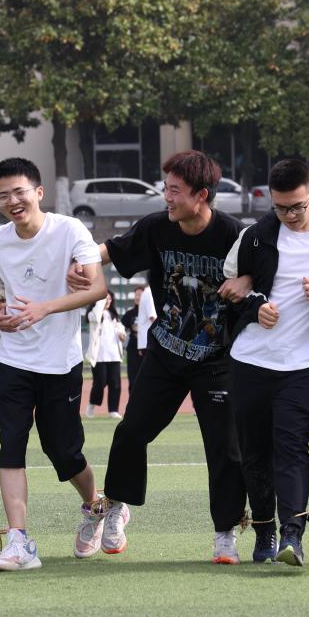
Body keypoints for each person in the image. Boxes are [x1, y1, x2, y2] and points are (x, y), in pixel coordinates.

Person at [70, 150, 250, 563]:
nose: (167, 197)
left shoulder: (232, 234)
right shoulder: (156, 227)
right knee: (131, 432)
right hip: (166, 352)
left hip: (217, 360)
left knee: (225, 448)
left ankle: (225, 533)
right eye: (165, 188)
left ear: (201, 195)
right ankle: (116, 507)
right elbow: (110, 249)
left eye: (175, 190)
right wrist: (79, 262)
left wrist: (247, 278)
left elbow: (262, 269)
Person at [225, 159, 309, 567]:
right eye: (280, 207)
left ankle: (292, 533)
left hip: (304, 365)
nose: (289, 215)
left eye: (297, 207)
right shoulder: (254, 237)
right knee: (254, 452)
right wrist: (254, 307)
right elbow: (228, 289)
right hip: (250, 361)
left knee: (292, 447)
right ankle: (264, 530)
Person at [0, 157, 107, 571]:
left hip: (59, 361)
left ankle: (96, 506)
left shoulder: (70, 230)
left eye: (19, 192)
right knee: (11, 444)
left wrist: (45, 308)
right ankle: (19, 542)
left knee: (63, 451)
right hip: (12, 358)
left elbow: (98, 288)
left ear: (38, 192)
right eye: (3, 195)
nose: (12, 201)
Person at [86, 289, 126, 419]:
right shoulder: (93, 314)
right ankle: (92, 405)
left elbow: (121, 330)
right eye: (105, 299)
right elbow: (96, 316)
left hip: (114, 355)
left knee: (115, 384)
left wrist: (122, 334)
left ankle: (113, 410)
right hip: (99, 356)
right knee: (100, 383)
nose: (108, 301)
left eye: (109, 299)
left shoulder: (114, 316)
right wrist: (100, 302)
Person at [120, 286, 146, 386]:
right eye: (136, 295)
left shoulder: (149, 313)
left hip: (146, 348)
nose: (137, 297)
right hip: (133, 348)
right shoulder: (130, 313)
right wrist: (121, 334)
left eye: (140, 295)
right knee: (132, 376)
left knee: (145, 377)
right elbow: (121, 326)